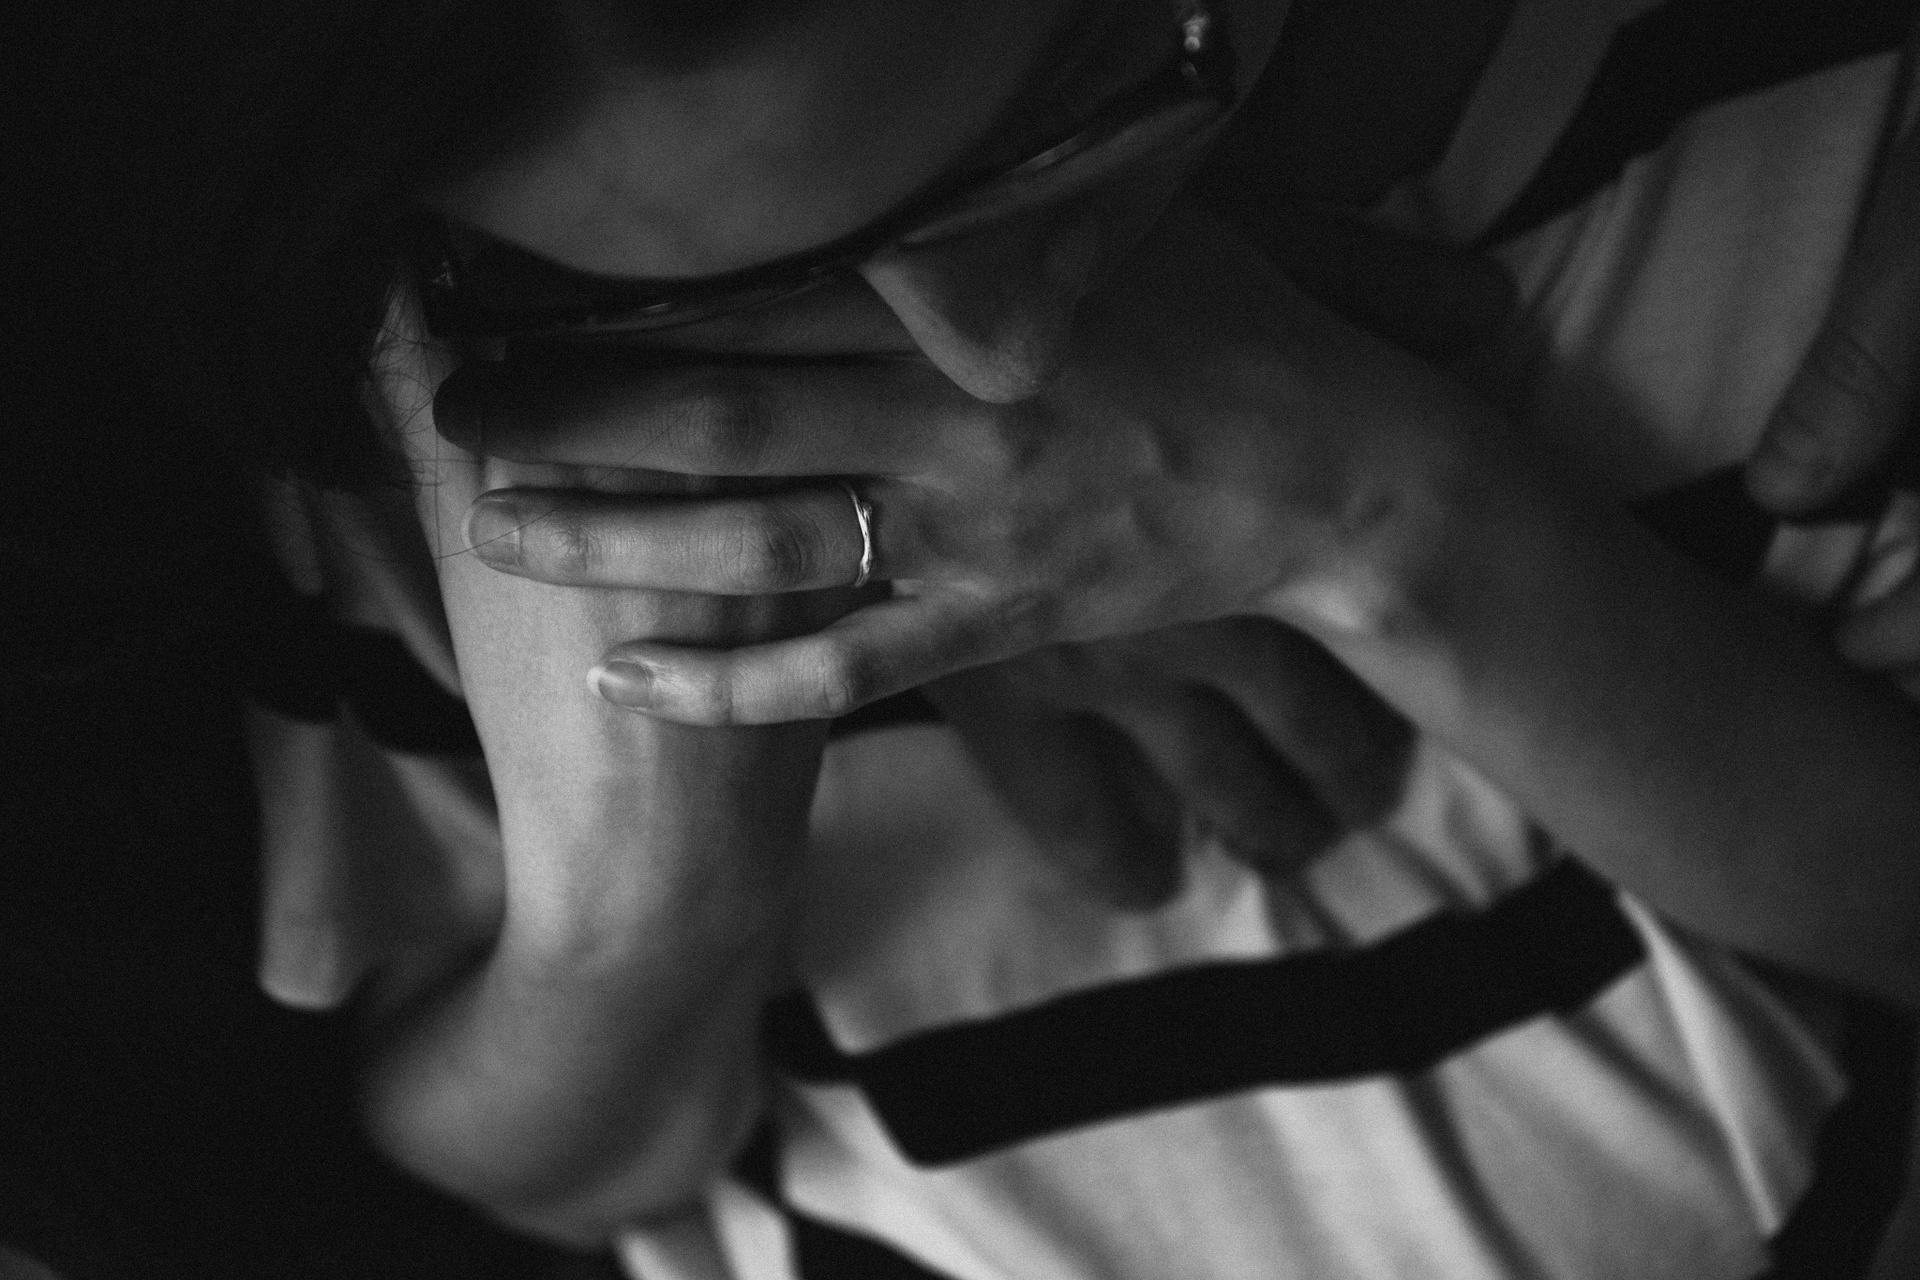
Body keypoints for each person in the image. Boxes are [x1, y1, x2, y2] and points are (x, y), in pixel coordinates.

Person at [21, 0, 1920, 1276]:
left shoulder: (1797, 139)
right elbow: (531, 1169)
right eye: (768, 274)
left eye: (1074, 94)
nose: (1005, 367)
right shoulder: (437, 432)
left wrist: (1369, 511)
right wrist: (651, 872)